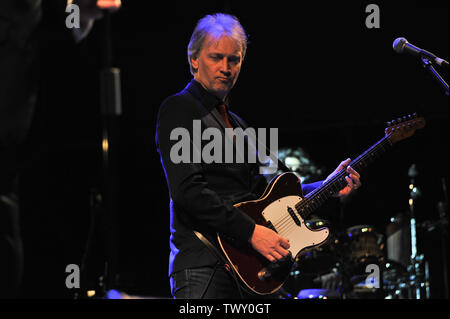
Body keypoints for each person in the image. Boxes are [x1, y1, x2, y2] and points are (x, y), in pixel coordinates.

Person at [155, 13, 361, 299]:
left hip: (250, 267)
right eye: (216, 57)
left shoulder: (240, 126)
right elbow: (188, 191)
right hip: (205, 265)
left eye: (234, 59)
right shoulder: (179, 109)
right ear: (194, 59)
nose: (226, 68)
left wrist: (328, 185)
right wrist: (251, 232)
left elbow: (271, 192)